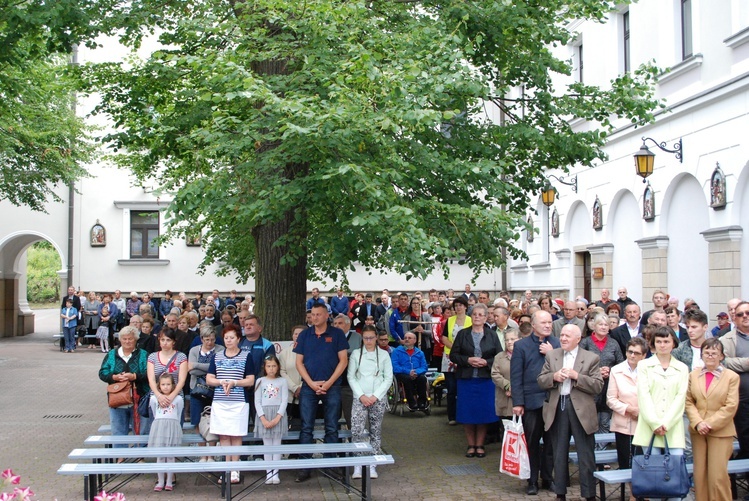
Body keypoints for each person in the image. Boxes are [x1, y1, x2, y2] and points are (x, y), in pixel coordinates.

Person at [537, 324, 603, 501]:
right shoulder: (552, 355)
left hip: (581, 410)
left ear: (578, 339)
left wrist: (576, 376)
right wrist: (554, 377)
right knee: (559, 453)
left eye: (567, 336)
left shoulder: (591, 358)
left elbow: (597, 386)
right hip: (558, 406)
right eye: (562, 335)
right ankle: (560, 493)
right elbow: (541, 380)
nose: (563, 338)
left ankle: (589, 494)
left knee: (586, 455)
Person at [294, 302, 349, 483]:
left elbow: (343, 361)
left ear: (327, 316)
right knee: (306, 427)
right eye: (313, 315)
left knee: (331, 426)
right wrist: (310, 383)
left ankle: (330, 465)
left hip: (331, 387)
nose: (314, 318)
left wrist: (328, 383)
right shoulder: (304, 335)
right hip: (309, 388)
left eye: (318, 314)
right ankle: (304, 466)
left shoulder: (337, 334)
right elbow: (299, 363)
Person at [633, 326, 689, 500]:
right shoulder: (644, 365)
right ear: (653, 344)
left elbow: (680, 398)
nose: (663, 345)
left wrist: (666, 423)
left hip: (672, 427)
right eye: (659, 341)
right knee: (654, 480)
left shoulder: (682, 368)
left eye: (666, 341)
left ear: (673, 343)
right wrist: (655, 423)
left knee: (674, 477)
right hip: (649, 427)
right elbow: (644, 395)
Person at [510, 310, 560, 495]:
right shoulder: (521, 346)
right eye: (544, 322)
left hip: (553, 401)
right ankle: (532, 481)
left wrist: (552, 354)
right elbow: (516, 376)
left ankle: (548, 478)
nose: (548, 325)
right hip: (531, 402)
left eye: (550, 322)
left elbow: (564, 368)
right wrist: (518, 402)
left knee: (551, 443)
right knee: (531, 442)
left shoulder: (556, 344)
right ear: (533, 325)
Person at [685, 338, 740, 501]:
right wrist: (698, 422)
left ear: (721, 356)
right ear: (701, 355)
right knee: (700, 475)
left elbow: (731, 405)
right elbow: (688, 401)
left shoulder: (731, 377)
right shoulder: (693, 375)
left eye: (714, 353)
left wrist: (709, 423)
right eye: (706, 353)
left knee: (717, 476)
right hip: (698, 431)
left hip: (720, 431)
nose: (710, 356)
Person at [449, 303, 501, 458]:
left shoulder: (492, 335)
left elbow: (499, 356)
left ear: (486, 317)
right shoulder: (463, 334)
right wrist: (468, 360)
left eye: (481, 315)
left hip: (485, 380)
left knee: (483, 413)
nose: (477, 317)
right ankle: (471, 445)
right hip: (467, 379)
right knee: (468, 413)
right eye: (475, 314)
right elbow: (454, 355)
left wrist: (486, 362)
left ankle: (480, 444)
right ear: (471, 317)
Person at [206, 328, 255, 485]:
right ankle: (226, 468)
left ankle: (235, 468)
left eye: (232, 337)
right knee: (224, 435)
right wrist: (222, 382)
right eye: (226, 337)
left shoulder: (246, 356)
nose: (228, 340)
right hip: (220, 401)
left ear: (238, 339)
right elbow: (209, 378)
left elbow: (250, 380)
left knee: (236, 435)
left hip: (238, 402)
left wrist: (234, 383)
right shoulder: (217, 356)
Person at [347, 325, 393, 480]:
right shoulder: (356, 354)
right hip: (360, 397)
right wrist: (361, 395)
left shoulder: (384, 355)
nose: (368, 341)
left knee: (375, 430)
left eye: (371, 338)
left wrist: (376, 396)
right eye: (365, 338)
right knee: (357, 430)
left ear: (376, 338)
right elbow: (351, 377)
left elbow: (388, 378)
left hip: (377, 398)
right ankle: (357, 465)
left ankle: (373, 463)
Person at [606, 337, 648, 501]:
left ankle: (645, 492)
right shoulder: (616, 370)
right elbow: (611, 399)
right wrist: (628, 409)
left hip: (645, 423)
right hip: (623, 422)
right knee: (626, 461)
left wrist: (642, 412)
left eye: (636, 353)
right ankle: (633, 494)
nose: (632, 355)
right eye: (629, 351)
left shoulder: (650, 370)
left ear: (644, 355)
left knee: (644, 461)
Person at [98, 326, 149, 448]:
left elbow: (149, 374)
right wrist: (114, 377)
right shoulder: (111, 354)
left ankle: (138, 457)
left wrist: (134, 376)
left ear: (136, 340)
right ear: (120, 340)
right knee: (118, 430)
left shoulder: (143, 354)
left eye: (130, 339)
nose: (127, 341)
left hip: (139, 398)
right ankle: (120, 458)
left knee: (140, 430)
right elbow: (102, 373)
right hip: (117, 399)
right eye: (124, 339)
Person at [580, 312, 624, 437]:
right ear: (594, 326)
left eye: (606, 325)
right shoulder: (585, 343)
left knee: (605, 421)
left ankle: (602, 448)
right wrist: (596, 371)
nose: (604, 327)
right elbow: (578, 364)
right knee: (590, 420)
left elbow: (620, 363)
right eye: (601, 324)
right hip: (590, 387)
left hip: (608, 387)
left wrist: (610, 370)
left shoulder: (613, 343)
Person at [145, 330, 188, 436]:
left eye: (168, 340)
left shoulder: (181, 357)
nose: (165, 343)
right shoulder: (152, 357)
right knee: (156, 431)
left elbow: (182, 380)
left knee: (175, 431)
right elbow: (151, 379)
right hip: (156, 398)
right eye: (162, 340)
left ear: (174, 342)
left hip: (176, 397)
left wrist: (172, 396)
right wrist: (159, 396)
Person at [254, 354, 289, 485]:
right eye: (269, 366)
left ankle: (276, 472)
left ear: (278, 367)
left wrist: (278, 417)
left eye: (274, 366)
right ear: (264, 367)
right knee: (267, 445)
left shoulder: (282, 381)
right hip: (264, 414)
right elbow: (257, 401)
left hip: (277, 415)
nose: (271, 369)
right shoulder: (260, 381)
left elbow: (284, 400)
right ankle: (268, 472)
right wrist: (262, 418)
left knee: (277, 445)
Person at [149, 372, 184, 492]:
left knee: (170, 455)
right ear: (159, 386)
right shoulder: (154, 399)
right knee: (160, 455)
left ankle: (169, 481)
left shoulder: (178, 399)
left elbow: (179, 414)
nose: (166, 387)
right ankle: (160, 481)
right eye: (163, 384)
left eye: (168, 384)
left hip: (172, 427)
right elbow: (154, 413)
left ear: (173, 385)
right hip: (159, 427)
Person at [442, 295, 471, 426]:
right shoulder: (449, 320)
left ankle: (464, 415)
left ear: (465, 306)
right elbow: (444, 338)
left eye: (460, 305)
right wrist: (455, 348)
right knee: (451, 388)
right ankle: (451, 416)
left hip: (465, 358)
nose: (458, 308)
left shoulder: (471, 320)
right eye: (456, 306)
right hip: (449, 358)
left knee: (464, 388)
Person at [392, 331, 430, 412]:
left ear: (415, 340)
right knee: (408, 379)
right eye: (405, 338)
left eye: (409, 338)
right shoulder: (396, 351)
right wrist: (408, 372)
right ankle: (411, 402)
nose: (406, 339)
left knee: (422, 379)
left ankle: (422, 401)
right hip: (402, 374)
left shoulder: (420, 353)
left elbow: (424, 367)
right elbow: (395, 367)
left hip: (417, 374)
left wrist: (416, 372)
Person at [491, 328, 519, 429]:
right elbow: (495, 374)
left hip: (521, 399)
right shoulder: (499, 357)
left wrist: (515, 389)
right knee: (507, 432)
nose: (509, 342)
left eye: (512, 339)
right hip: (504, 399)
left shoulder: (525, 355)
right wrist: (507, 386)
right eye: (507, 340)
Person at [279, 325, 305, 427]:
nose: (297, 336)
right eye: (295, 334)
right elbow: (282, 371)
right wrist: (294, 388)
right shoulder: (284, 353)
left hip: (307, 393)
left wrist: (302, 388)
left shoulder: (313, 352)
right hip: (290, 396)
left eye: (300, 334)